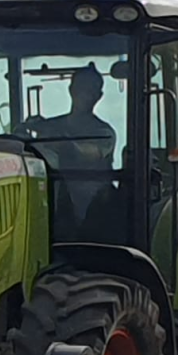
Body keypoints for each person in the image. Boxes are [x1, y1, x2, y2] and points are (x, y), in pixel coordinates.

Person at [21, 63, 118, 237]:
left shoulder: (104, 133)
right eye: (80, 87)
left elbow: (89, 153)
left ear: (99, 96)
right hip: (48, 202)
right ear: (71, 89)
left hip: (93, 213)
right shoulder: (50, 126)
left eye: (90, 90)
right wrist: (23, 132)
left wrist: (58, 140)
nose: (84, 93)